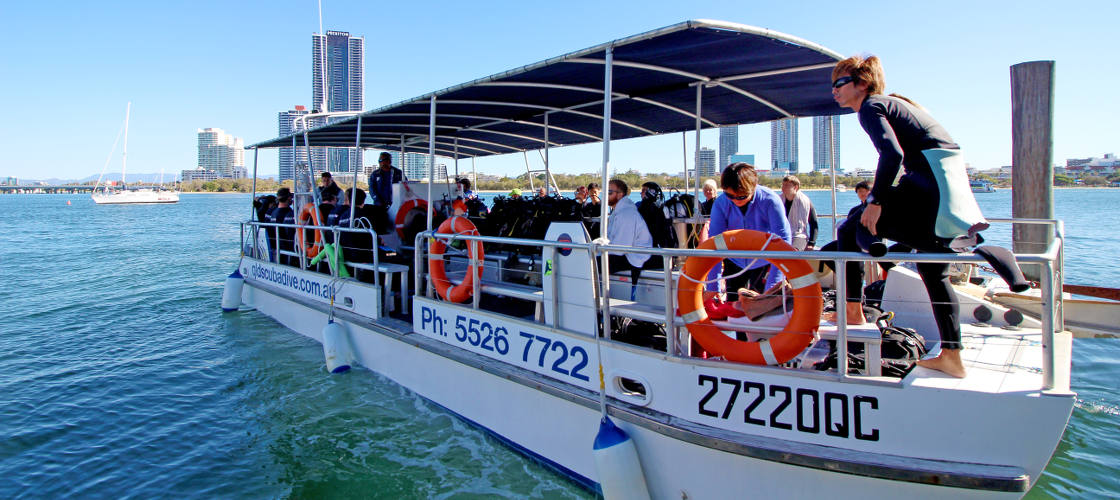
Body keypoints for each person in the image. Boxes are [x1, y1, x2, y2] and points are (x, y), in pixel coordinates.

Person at [832, 55, 972, 377]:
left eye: (840, 84)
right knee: (933, 268)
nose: (834, 91)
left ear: (862, 84)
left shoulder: (871, 106)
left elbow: (891, 153)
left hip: (927, 189)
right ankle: (952, 355)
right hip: (945, 191)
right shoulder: (894, 104)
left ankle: (853, 311)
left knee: (849, 227)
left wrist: (877, 200)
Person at [705, 162, 791, 300]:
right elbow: (714, 243)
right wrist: (712, 286)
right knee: (733, 307)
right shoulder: (721, 203)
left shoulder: (770, 201)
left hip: (764, 261)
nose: (735, 200)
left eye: (741, 197)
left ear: (753, 188)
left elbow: (784, 242)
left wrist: (773, 286)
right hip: (735, 260)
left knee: (763, 311)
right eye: (730, 196)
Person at [604, 179, 655, 286]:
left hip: (635, 258)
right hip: (625, 253)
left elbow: (619, 248)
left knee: (592, 264)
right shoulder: (618, 211)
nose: (606, 195)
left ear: (620, 195)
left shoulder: (626, 214)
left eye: (609, 192)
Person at [368, 152, 408, 229]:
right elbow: (371, 189)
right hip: (379, 206)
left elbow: (405, 185)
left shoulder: (398, 173)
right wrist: (378, 200)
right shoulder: (375, 174)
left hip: (395, 204)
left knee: (394, 224)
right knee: (380, 225)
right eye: (379, 160)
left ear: (389, 161)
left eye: (382, 160)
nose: (380, 163)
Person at [780, 175, 818, 251]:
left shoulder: (805, 202)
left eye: (787, 185)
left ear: (795, 187)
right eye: (783, 185)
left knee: (793, 251)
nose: (783, 187)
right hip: (782, 234)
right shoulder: (778, 200)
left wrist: (811, 242)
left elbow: (813, 223)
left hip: (799, 235)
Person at [265, 188, 296, 265]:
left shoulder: (273, 212)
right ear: (288, 198)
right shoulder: (290, 213)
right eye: (290, 197)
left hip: (277, 248)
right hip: (288, 250)